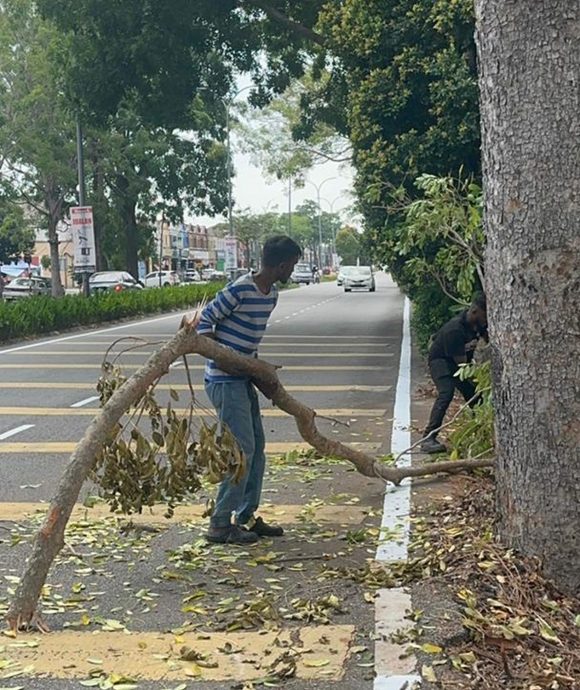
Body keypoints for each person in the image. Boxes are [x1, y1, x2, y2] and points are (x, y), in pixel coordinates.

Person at [197, 235, 302, 544]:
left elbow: (249, 341)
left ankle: (245, 516)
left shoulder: (272, 294)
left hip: (244, 379)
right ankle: (219, 523)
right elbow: (203, 326)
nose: (292, 271)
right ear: (281, 264)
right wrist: (225, 359)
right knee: (241, 450)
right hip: (223, 380)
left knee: (256, 448)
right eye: (292, 265)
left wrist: (257, 373)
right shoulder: (240, 288)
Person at [421, 294, 488, 454]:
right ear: (475, 311)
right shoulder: (454, 330)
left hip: (458, 363)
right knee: (446, 393)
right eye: (485, 315)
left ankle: (482, 430)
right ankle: (428, 438)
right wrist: (480, 380)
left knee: (475, 396)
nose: (487, 320)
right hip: (441, 361)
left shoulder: (477, 324)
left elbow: (488, 339)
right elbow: (463, 367)